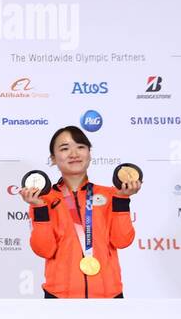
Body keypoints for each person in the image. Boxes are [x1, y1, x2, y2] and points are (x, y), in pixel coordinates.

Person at [19, 125, 138, 299]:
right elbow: (44, 250)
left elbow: (122, 240)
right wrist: (38, 208)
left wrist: (122, 200)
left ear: (89, 153)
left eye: (80, 147)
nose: (74, 154)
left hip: (109, 296)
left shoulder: (112, 194)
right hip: (59, 297)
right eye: (65, 148)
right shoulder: (44, 199)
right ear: (53, 158)